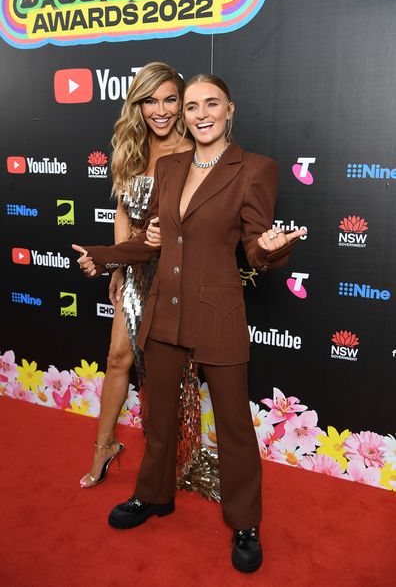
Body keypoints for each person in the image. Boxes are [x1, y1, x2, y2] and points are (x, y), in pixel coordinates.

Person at [73, 74, 305, 573]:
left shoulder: (255, 169)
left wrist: (269, 249)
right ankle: (154, 495)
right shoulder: (171, 167)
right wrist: (104, 255)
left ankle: (245, 522)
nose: (200, 114)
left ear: (229, 110)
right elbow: (152, 243)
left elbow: (254, 246)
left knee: (234, 426)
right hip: (165, 309)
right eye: (193, 105)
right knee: (158, 419)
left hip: (218, 313)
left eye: (211, 104)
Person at [79, 62, 198, 489]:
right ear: (138, 104)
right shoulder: (131, 146)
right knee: (117, 358)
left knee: (169, 368)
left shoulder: (192, 148)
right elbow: (123, 210)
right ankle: (104, 446)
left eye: (169, 99)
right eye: (150, 100)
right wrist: (117, 266)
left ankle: (177, 453)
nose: (160, 110)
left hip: (174, 273)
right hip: (135, 268)